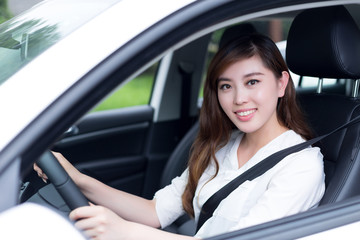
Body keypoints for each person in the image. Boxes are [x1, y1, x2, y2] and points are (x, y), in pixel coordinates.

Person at [34, 33, 325, 240]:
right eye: (226, 86)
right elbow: (155, 211)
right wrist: (76, 178)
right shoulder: (223, 145)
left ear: (281, 83)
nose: (239, 99)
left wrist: (124, 232)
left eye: (252, 82)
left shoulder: (301, 165)